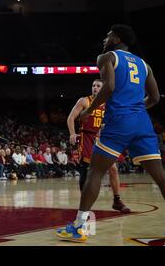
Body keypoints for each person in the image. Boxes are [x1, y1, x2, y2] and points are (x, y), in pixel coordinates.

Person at [57, 24, 165, 242]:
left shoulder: (107, 57)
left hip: (118, 121)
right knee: (161, 177)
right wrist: (136, 110)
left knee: (95, 172)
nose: (105, 38)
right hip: (143, 123)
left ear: (116, 38)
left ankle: (78, 227)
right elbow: (154, 98)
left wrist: (89, 110)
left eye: (108, 35)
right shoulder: (145, 65)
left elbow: (109, 87)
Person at [67, 79, 130, 213]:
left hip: (102, 139)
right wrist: (72, 133)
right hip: (87, 137)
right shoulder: (84, 101)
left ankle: (117, 200)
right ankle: (84, 205)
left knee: (113, 169)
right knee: (87, 171)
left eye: (98, 86)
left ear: (103, 89)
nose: (95, 88)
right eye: (93, 86)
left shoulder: (109, 104)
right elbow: (71, 118)